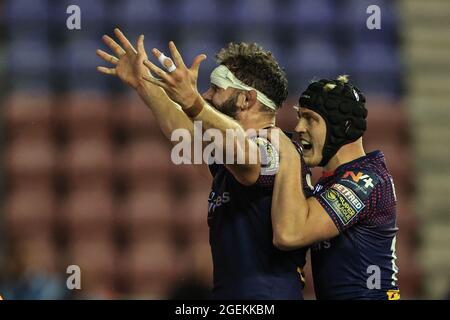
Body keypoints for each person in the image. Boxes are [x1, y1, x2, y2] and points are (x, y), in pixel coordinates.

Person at [96, 29, 313, 299]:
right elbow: (184, 130)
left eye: (216, 89)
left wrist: (192, 101)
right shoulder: (228, 153)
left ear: (247, 99)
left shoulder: (274, 146)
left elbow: (246, 154)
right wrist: (144, 81)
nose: (207, 95)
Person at [270, 76, 401, 300]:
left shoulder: (367, 180)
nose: (298, 127)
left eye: (310, 119)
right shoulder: (330, 181)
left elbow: (289, 234)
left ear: (344, 127)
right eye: (299, 117)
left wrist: (289, 156)